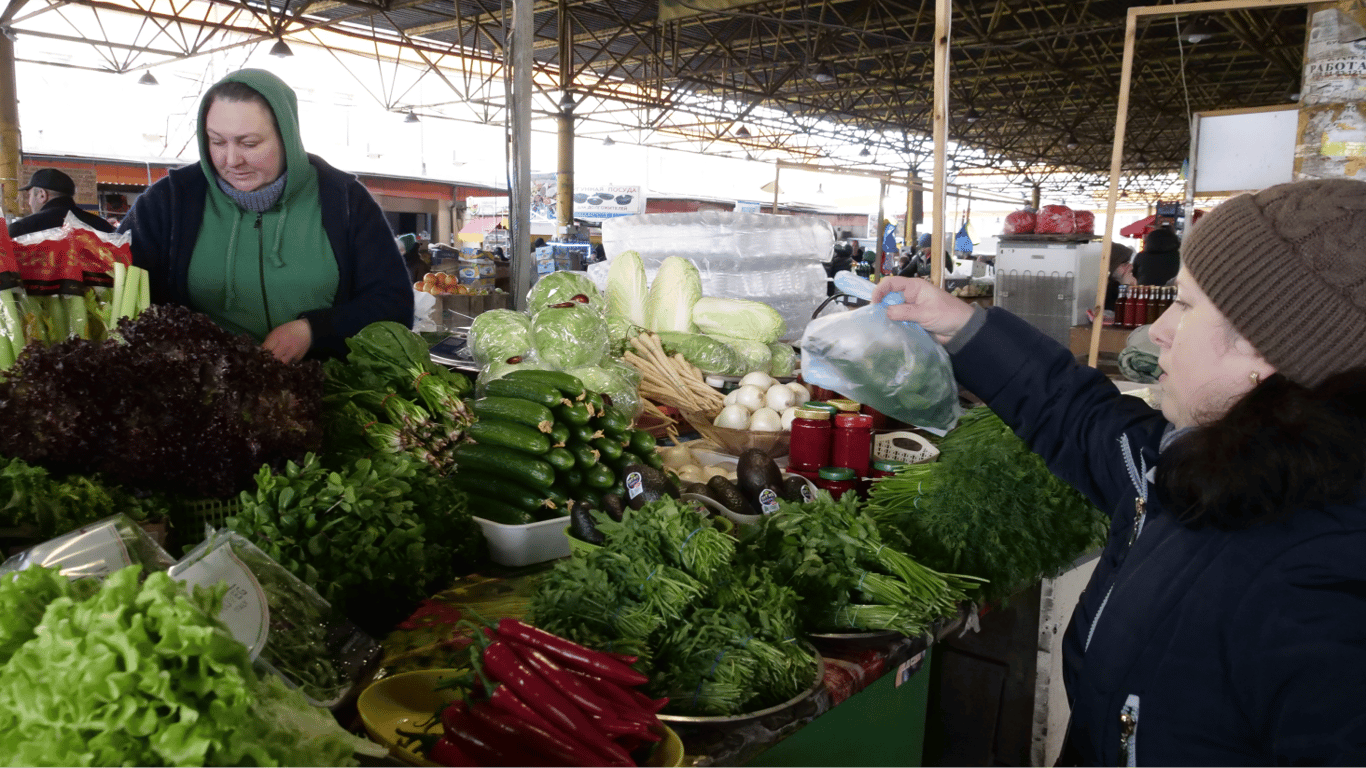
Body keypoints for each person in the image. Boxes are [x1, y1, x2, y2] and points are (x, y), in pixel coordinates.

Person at [872, 178, 1366, 767]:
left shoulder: (1327, 594)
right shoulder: (1196, 470)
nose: (1159, 330)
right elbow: (1076, 412)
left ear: (1264, 345)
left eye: (1184, 305)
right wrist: (961, 325)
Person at [120, 69, 413, 363]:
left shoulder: (345, 200)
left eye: (249, 144)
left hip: (325, 391)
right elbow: (113, 292)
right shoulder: (169, 201)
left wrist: (315, 330)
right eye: (217, 142)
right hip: (203, 393)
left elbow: (393, 303)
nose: (232, 160)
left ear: (287, 136)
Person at [10, 168, 116, 237]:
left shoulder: (21, 228)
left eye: (30, 195)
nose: (29, 202)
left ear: (42, 194)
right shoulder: (103, 226)